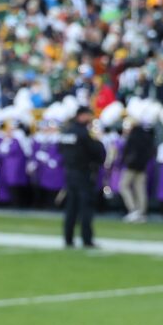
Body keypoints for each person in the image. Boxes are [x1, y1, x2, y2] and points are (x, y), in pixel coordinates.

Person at [60, 106, 105, 247]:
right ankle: (87, 239)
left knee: (71, 207)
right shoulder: (84, 133)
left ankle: (68, 237)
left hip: (69, 172)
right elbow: (97, 152)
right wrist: (98, 142)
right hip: (83, 173)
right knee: (86, 207)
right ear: (82, 116)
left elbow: (60, 149)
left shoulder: (66, 131)